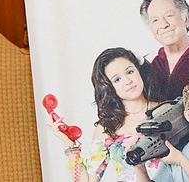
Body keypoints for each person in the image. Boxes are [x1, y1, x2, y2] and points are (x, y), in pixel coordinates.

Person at [48, 47, 161, 182]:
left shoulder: (167, 110)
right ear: (108, 87)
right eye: (117, 79)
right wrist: (69, 143)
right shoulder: (108, 127)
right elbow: (88, 181)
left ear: (139, 71)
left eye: (130, 72)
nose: (127, 81)